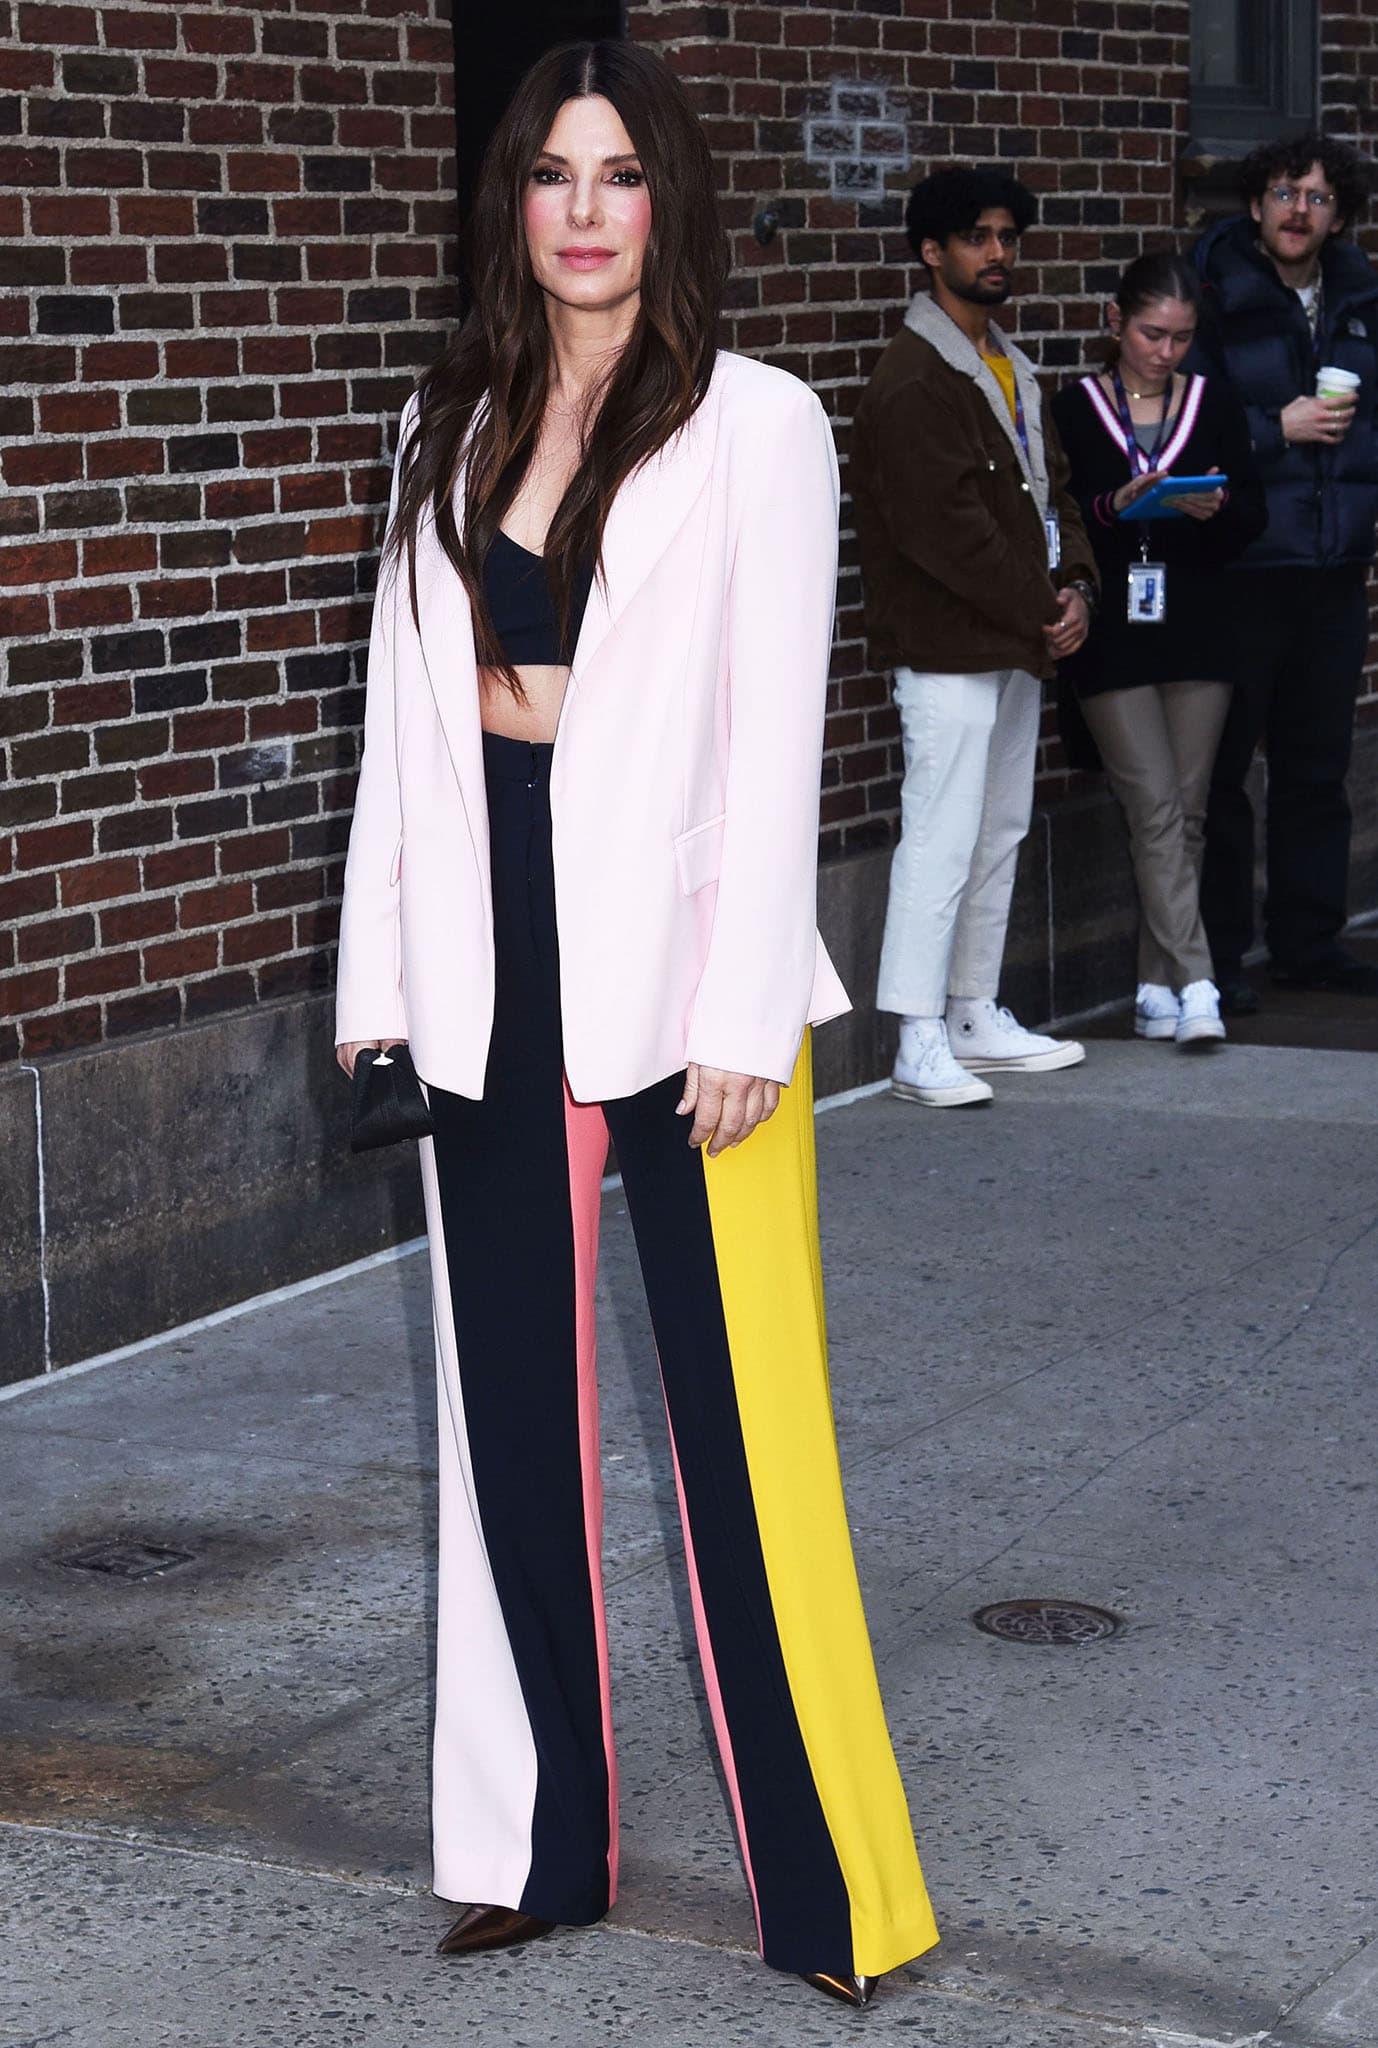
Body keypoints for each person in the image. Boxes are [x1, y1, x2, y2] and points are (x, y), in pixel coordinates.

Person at [334, 39, 938, 2011]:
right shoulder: (452, 415)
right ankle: (534, 1844)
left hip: (686, 978)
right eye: (550, 173)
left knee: (747, 1450)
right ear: (510, 203)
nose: (584, 209)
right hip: (486, 963)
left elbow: (777, 733)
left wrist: (751, 996)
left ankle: (838, 1889)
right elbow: (397, 741)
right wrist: (377, 995)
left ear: (666, 201)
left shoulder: (755, 422)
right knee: (506, 1422)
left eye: (619, 172)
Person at [851, 167, 1098, 1109]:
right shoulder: (914, 379)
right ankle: (915, 1036)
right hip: (951, 643)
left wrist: (1075, 585)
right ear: (932, 253)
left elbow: (1056, 494)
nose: (998, 254)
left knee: (997, 830)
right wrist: (1046, 603)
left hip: (1017, 636)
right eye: (978, 238)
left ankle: (970, 1011)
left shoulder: (1010, 364)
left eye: (1008, 236)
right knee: (940, 837)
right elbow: (944, 530)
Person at [1052, 252, 1267, 1047]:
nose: (1165, 352)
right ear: (1116, 322)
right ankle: (1199, 981)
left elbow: (1254, 514)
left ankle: (1152, 986)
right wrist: (1117, 504)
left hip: (1200, 625)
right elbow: (1067, 517)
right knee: (1153, 807)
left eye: (1180, 338)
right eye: (1151, 334)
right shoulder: (1074, 409)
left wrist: (1211, 507)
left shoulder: (1212, 403)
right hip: (1113, 634)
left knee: (1189, 811)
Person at [1189, 132, 1378, 1011]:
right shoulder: (1212, 290)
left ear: (1340, 213)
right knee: (1225, 773)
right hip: (1245, 566)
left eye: (1317, 197)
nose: (1299, 210)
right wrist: (1277, 429)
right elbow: (1188, 424)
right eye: (1282, 192)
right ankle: (1220, 962)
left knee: (1316, 765)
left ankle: (1308, 942)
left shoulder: (1362, 296)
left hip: (1334, 566)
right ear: (1254, 203)